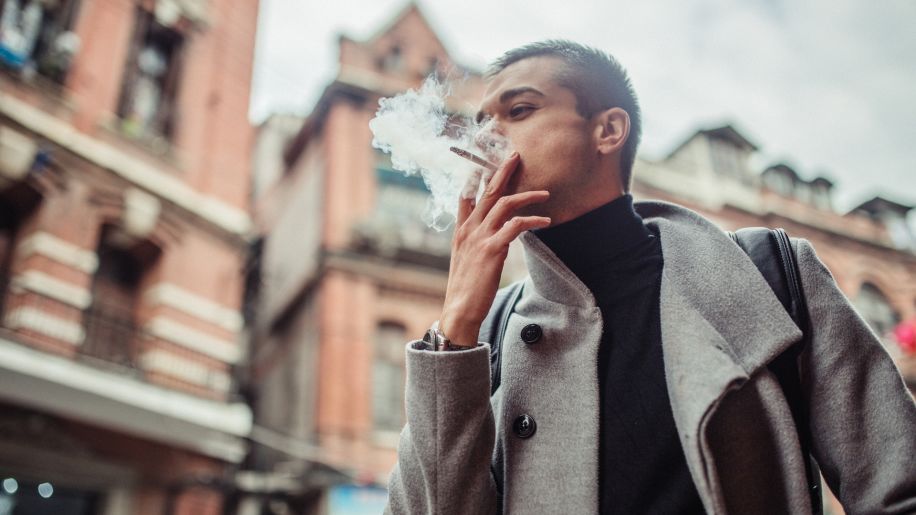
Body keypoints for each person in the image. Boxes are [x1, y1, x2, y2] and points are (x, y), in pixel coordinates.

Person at [384, 40, 916, 514]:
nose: (487, 137)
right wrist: (455, 330)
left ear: (608, 130)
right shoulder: (487, 330)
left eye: (518, 110)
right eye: (480, 122)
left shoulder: (769, 274)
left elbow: (896, 486)